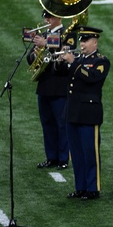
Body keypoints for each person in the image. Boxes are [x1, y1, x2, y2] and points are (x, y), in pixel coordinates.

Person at [57, 26, 110, 201]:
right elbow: (59, 72)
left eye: (86, 40)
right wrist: (60, 58)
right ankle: (80, 187)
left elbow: (92, 78)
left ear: (95, 42)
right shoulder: (78, 58)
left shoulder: (101, 61)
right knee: (77, 153)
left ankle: (92, 188)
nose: (82, 43)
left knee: (90, 152)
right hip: (72, 111)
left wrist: (73, 62)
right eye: (81, 40)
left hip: (89, 112)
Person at [26, 10, 73, 170]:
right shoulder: (42, 35)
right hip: (44, 85)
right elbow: (31, 60)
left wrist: (46, 45)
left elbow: (66, 53)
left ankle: (63, 158)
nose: (46, 19)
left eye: (50, 17)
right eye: (45, 17)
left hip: (59, 86)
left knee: (61, 124)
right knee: (47, 123)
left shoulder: (68, 34)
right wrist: (35, 52)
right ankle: (51, 156)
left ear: (58, 17)